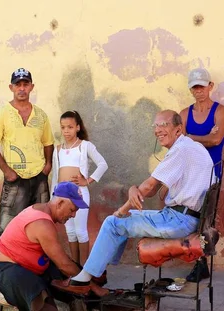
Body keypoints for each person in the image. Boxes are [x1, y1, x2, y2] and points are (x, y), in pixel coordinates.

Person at [51, 110, 213, 295]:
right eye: (156, 125)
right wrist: (135, 191)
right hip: (184, 216)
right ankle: (97, 271)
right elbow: (153, 190)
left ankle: (84, 280)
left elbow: (148, 188)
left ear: (178, 129)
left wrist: (122, 209)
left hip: (179, 220)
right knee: (122, 219)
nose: (158, 130)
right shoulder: (192, 147)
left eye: (164, 125)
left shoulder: (180, 150)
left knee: (113, 222)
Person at [0, 182, 105, 311]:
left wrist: (88, 279)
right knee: (40, 292)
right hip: (6, 268)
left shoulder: (44, 212)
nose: (73, 215)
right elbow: (64, 264)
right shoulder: (41, 222)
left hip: (29, 265)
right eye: (72, 210)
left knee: (72, 278)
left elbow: (64, 264)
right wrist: (93, 285)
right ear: (60, 203)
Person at [0, 68, 54, 239]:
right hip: (14, 179)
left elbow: (48, 142)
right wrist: (7, 172)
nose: (22, 88)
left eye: (26, 84)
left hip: (39, 177)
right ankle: (3, 264)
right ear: (11, 87)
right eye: (18, 85)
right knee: (7, 227)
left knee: (41, 224)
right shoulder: (2, 114)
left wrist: (47, 166)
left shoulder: (41, 115)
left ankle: (37, 264)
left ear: (32, 87)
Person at [180, 67, 224, 282]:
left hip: (211, 173)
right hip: (190, 174)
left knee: (205, 220)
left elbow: (216, 141)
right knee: (189, 217)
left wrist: (189, 137)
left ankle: (201, 263)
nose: (199, 90)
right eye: (195, 87)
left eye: (202, 86)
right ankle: (197, 262)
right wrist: (204, 137)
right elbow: (179, 145)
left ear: (210, 86)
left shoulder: (220, 111)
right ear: (191, 90)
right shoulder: (184, 114)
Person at [51, 110, 108, 265]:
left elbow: (103, 164)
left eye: (70, 127)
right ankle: (74, 267)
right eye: (63, 127)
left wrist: (88, 181)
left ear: (77, 127)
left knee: (81, 232)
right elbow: (56, 176)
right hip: (62, 196)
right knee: (70, 232)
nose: (66, 131)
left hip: (79, 194)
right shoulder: (58, 150)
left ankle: (85, 267)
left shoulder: (85, 146)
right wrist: (53, 197)